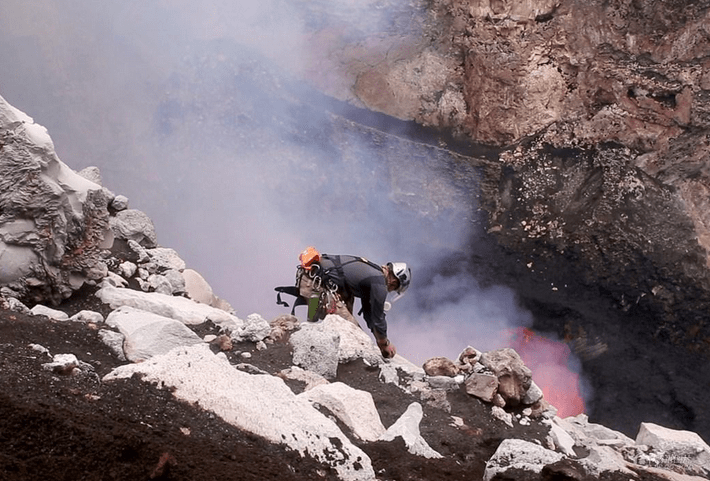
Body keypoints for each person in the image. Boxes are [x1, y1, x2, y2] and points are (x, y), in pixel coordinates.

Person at [294, 248, 411, 359]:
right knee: (352, 331)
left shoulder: (373, 274)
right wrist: (384, 344)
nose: (390, 290)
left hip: (310, 278)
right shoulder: (379, 283)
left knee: (346, 303)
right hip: (313, 284)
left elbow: (369, 313)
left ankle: (310, 332)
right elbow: (377, 318)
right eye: (394, 288)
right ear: (394, 281)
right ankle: (311, 347)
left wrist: (378, 337)